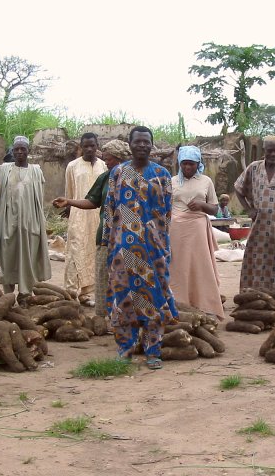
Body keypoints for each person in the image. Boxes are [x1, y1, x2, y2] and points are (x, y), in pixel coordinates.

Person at [103, 126, 177, 369]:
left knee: (154, 296)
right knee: (123, 295)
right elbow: (110, 208)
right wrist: (108, 241)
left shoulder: (162, 174)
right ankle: (125, 347)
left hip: (153, 247)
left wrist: (165, 244)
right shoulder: (118, 173)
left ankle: (153, 349)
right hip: (123, 246)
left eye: (147, 142)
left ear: (151, 144)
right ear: (130, 144)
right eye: (138, 142)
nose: (143, 146)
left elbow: (167, 213)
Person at [53, 139, 131, 320]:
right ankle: (102, 316)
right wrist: (69, 202)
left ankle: (127, 315)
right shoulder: (105, 177)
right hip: (105, 233)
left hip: (130, 236)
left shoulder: (134, 177)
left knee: (127, 275)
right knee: (103, 273)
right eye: (106, 158)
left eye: (110, 159)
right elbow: (93, 201)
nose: (107, 162)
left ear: (119, 159)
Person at [234, 135, 275, 294]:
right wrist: (249, 209)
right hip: (260, 226)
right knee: (258, 259)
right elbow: (238, 189)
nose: (273, 154)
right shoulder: (253, 168)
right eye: (269, 151)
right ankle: (255, 294)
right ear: (264, 151)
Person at [0, 135, 51, 301]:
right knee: (7, 257)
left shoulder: (36, 171)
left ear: (28, 151)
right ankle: (8, 295)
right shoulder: (4, 170)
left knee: (28, 258)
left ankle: (25, 294)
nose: (19, 152)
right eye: (16, 149)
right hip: (7, 223)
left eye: (22, 149)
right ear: (13, 151)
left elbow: (38, 199)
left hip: (29, 223)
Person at [169, 146, 224, 320]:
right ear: (179, 164)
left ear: (198, 164)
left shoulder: (206, 181)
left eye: (191, 164)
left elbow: (215, 210)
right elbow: (164, 207)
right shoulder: (172, 181)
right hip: (176, 229)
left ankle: (206, 306)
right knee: (178, 267)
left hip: (198, 228)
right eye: (184, 164)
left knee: (201, 266)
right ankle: (179, 305)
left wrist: (201, 205)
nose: (187, 168)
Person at [61, 133, 107, 305]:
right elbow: (69, 191)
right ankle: (71, 293)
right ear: (80, 147)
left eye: (92, 146)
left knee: (94, 254)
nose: (89, 149)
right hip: (79, 216)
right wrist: (68, 208)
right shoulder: (73, 166)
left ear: (97, 146)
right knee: (75, 252)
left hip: (98, 215)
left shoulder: (104, 166)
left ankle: (85, 294)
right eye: (85, 146)